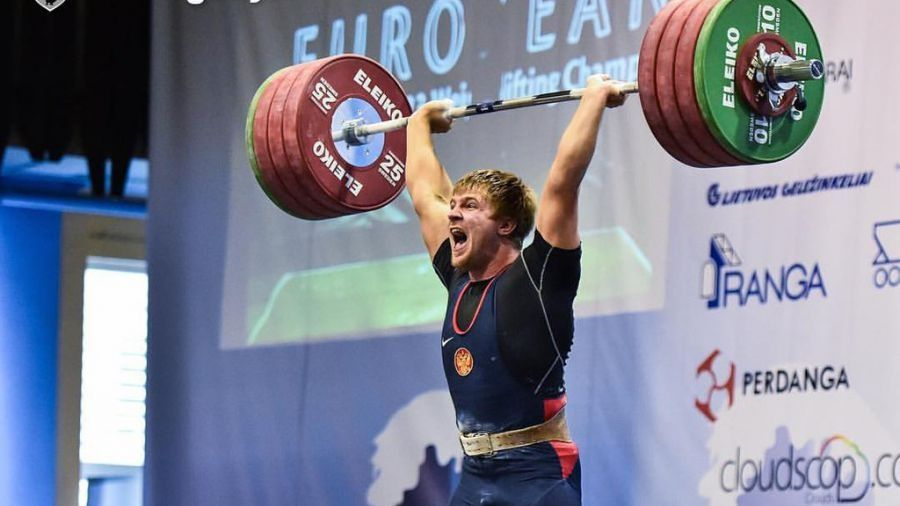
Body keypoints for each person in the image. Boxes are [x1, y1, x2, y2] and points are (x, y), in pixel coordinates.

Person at [405, 75, 626, 506]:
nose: (453, 215)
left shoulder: (540, 277)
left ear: (506, 225)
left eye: (470, 206)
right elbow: (424, 194)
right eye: (454, 206)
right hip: (475, 478)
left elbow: (563, 181)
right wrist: (419, 123)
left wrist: (595, 96)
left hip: (538, 477)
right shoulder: (458, 279)